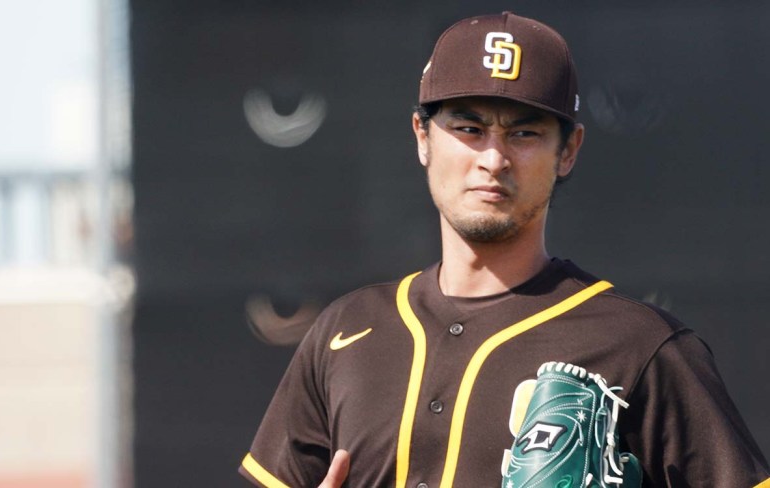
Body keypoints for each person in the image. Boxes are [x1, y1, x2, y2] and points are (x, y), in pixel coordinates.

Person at [239, 11, 770, 487]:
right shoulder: (343, 330)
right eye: (469, 127)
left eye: (524, 134)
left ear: (569, 152)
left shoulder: (643, 347)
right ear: (422, 136)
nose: (493, 159)